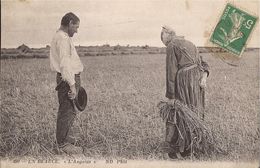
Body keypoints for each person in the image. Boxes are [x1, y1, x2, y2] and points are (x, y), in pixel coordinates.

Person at [160, 25, 209, 159]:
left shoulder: (172, 45)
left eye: (163, 39)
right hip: (196, 81)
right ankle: (191, 147)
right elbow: (203, 64)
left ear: (166, 35)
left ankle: (175, 149)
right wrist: (204, 76)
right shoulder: (191, 44)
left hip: (184, 81)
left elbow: (171, 72)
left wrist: (171, 96)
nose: (164, 43)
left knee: (179, 112)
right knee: (193, 112)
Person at [50, 12, 84, 154]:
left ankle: (66, 141)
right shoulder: (63, 39)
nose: (76, 30)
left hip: (66, 79)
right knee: (67, 111)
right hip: (67, 80)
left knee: (69, 110)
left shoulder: (59, 36)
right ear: (70, 23)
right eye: (76, 27)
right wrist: (72, 85)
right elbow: (65, 65)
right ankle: (63, 146)